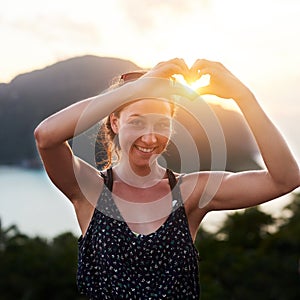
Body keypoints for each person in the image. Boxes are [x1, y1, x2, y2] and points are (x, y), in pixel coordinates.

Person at [34, 58, 299, 299]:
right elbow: (46, 136)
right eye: (136, 122)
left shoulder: (191, 192)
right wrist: (135, 90)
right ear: (115, 123)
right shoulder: (90, 190)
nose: (150, 138)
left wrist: (244, 96)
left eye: (161, 123)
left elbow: (285, 178)